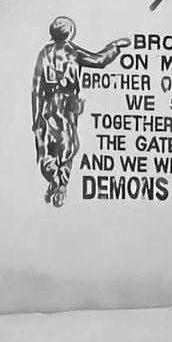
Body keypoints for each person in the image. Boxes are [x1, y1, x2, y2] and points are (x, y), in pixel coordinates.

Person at [31, 16, 130, 207]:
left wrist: (36, 116)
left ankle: (55, 179)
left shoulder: (44, 53)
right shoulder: (72, 52)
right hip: (67, 105)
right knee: (67, 147)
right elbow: (99, 60)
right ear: (69, 33)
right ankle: (60, 183)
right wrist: (115, 46)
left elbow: (35, 88)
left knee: (51, 146)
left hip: (49, 106)